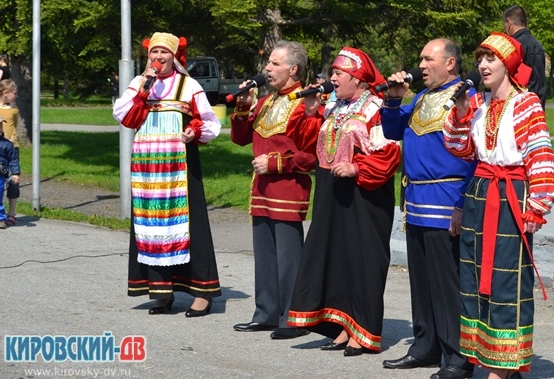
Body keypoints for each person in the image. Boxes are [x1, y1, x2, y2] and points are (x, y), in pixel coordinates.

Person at [443, 32, 554, 379]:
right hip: (481, 194)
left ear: (507, 65)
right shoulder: (479, 105)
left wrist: (538, 203)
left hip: (510, 196)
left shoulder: (526, 103)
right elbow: (460, 149)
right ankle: (490, 358)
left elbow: (539, 151)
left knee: (506, 281)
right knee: (477, 279)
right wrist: (461, 112)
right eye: (480, 59)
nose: (482, 65)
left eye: (490, 59)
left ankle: (503, 367)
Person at [287, 46, 401, 356]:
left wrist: (357, 166)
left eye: (339, 73)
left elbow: (390, 153)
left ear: (359, 79)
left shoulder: (375, 108)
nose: (333, 78)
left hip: (365, 195)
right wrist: (310, 111)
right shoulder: (334, 107)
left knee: (362, 259)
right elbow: (308, 144)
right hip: (332, 193)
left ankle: (362, 330)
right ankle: (341, 325)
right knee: (335, 258)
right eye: (333, 73)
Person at [380, 38, 476, 379]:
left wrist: (463, 204)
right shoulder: (421, 97)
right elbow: (392, 129)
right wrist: (393, 99)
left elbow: (475, 156)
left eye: (427, 58)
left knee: (447, 284)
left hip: (447, 201)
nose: (420, 64)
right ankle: (425, 346)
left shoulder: (466, 97)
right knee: (421, 281)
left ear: (450, 63)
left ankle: (458, 357)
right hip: (416, 202)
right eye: (420, 57)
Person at [113, 32, 222, 317]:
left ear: (175, 57)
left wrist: (194, 130)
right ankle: (161, 291)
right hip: (148, 170)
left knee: (189, 226)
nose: (158, 58)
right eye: (154, 53)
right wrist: (143, 90)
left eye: (164, 54)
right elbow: (124, 116)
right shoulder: (140, 83)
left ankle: (202, 292)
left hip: (180, 168)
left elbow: (210, 122)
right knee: (152, 228)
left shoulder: (189, 85)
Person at [229, 40, 322, 339]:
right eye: (268, 63)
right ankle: (266, 312)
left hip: (287, 187)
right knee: (265, 254)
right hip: (261, 190)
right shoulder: (266, 101)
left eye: (275, 64)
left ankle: (293, 317)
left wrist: (275, 163)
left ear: (293, 69)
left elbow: (311, 154)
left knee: (289, 258)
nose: (267, 69)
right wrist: (243, 106)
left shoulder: (303, 103)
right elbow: (240, 139)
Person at [502, 5, 547, 108]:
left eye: (504, 24)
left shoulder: (514, 45)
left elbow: (516, 80)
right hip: (538, 103)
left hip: (521, 105)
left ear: (509, 23)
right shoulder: (538, 44)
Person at [0, 80, 20, 226]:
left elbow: (14, 126)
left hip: (11, 147)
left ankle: (12, 212)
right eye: (15, 93)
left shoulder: (14, 110)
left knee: (13, 181)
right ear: (5, 93)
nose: (16, 96)